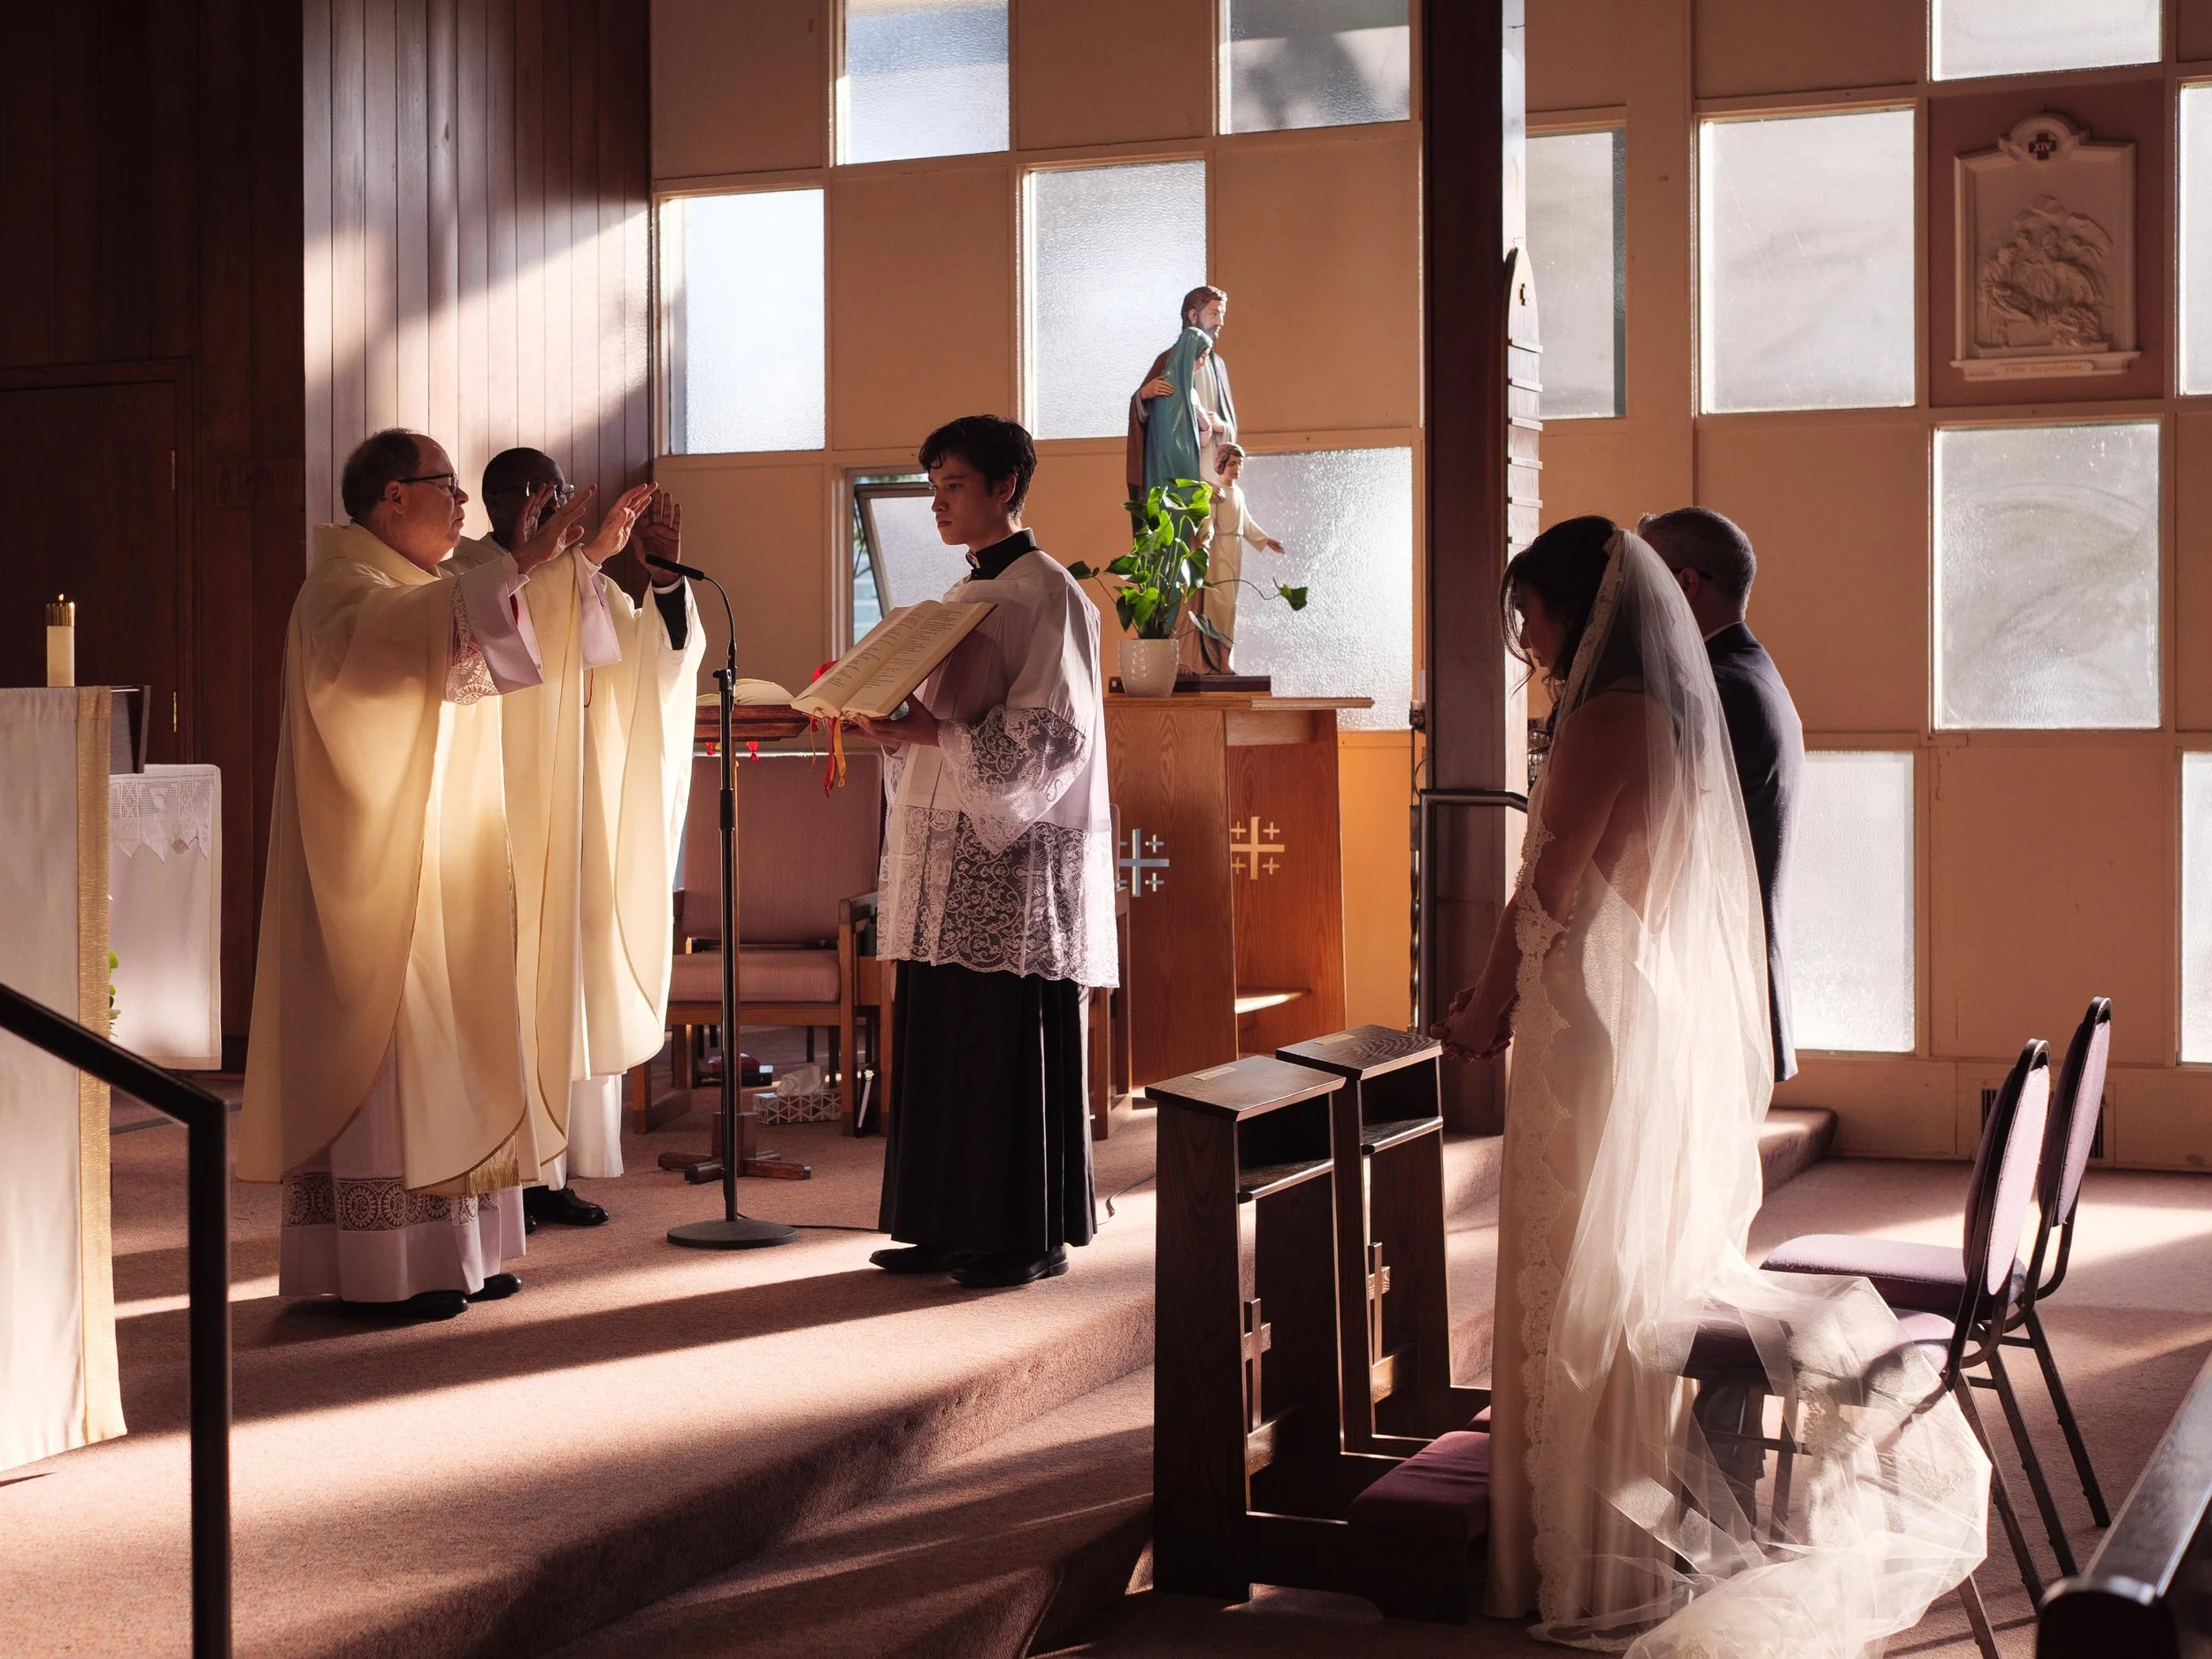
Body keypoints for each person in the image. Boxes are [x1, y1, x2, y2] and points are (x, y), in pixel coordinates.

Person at [1436, 517, 1987, 1652]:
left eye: (1529, 615)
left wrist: (1482, 1007)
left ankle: (1578, 1562)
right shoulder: (1680, 715)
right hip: (1630, 994)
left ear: (1577, 615)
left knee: (1575, 1274)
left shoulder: (1604, 720)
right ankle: (1601, 1531)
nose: (1524, 640)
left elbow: (1546, 895)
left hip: (1583, 1010)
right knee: (1600, 1268)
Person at [238, 428, 595, 1319]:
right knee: (401, 1055)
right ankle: (385, 1268)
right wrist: (512, 562)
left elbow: (497, 655)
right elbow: (403, 651)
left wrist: (539, 570)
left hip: (449, 868)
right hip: (378, 877)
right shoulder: (341, 591)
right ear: (392, 496)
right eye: (446, 487)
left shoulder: (423, 587)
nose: (462, 504)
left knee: (462, 1042)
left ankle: (464, 1252)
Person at [852, 415, 1116, 1289]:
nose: (937, 503)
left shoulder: (1049, 594)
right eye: (931, 487)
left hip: (1013, 859)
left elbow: (1053, 735)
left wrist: (940, 735)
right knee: (941, 1035)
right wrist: (898, 730)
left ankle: (1019, 1236)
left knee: (1000, 1041)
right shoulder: (960, 597)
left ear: (1005, 487)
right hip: (944, 845)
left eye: (953, 485)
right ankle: (940, 1222)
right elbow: (941, 725)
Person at [446, 450, 702, 1232]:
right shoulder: (469, 575)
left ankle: (556, 1169)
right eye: (535, 498)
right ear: (499, 506)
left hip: (582, 810)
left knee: (571, 983)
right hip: (506, 817)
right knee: (519, 986)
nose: (551, 509)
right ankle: (513, 1169)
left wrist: (658, 578)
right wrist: (579, 561)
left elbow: (650, 662)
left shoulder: (576, 579)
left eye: (557, 495)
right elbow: (505, 635)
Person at [1640, 506, 1804, 1082]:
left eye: (1643, 582)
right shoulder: (1749, 671)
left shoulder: (1717, 690)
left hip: (1712, 982)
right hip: (1730, 974)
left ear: (1684, 584)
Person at [1126, 285, 1238, 511]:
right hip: (1179, 476)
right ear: (1193, 316)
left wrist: (1220, 426)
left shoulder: (1217, 365)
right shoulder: (1168, 361)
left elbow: (1229, 428)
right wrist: (1143, 396)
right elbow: (1161, 431)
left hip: (1213, 469)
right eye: (1214, 314)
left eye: (1222, 314)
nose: (1220, 322)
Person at [1185, 442, 1282, 675]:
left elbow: (1246, 522)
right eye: (1232, 463)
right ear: (1221, 464)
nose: (1237, 468)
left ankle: (1223, 661)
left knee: (1230, 607)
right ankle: (1221, 662)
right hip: (1219, 551)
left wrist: (1266, 540)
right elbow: (1208, 519)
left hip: (1234, 550)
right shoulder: (1215, 491)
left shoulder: (1238, 493)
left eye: (1240, 464)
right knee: (1221, 604)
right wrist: (1206, 541)